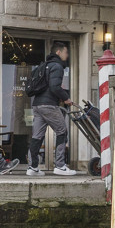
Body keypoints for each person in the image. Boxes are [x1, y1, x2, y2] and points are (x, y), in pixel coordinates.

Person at [28, 42, 78, 176]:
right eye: (66, 52)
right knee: (62, 131)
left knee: (36, 136)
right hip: (49, 105)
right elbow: (55, 87)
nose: (67, 56)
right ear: (58, 52)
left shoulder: (44, 66)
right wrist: (66, 98)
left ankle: (32, 168)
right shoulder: (57, 66)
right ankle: (60, 166)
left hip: (37, 105)